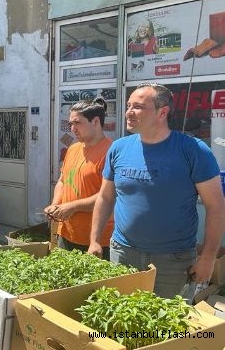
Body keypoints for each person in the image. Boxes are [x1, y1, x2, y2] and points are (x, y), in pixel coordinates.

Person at [88, 83, 225, 298]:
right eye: (128, 105)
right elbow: (106, 197)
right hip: (123, 254)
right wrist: (95, 240)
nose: (129, 112)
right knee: (121, 320)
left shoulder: (193, 150)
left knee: (169, 327)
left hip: (173, 262)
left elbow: (216, 206)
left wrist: (207, 258)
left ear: (163, 112)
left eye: (138, 107)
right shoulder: (119, 148)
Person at [44, 98, 113, 260]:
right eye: (71, 124)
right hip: (67, 233)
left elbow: (108, 197)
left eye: (77, 123)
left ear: (96, 121)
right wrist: (56, 204)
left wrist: (72, 207)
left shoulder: (111, 151)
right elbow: (62, 181)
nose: (72, 128)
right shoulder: (73, 149)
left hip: (97, 241)